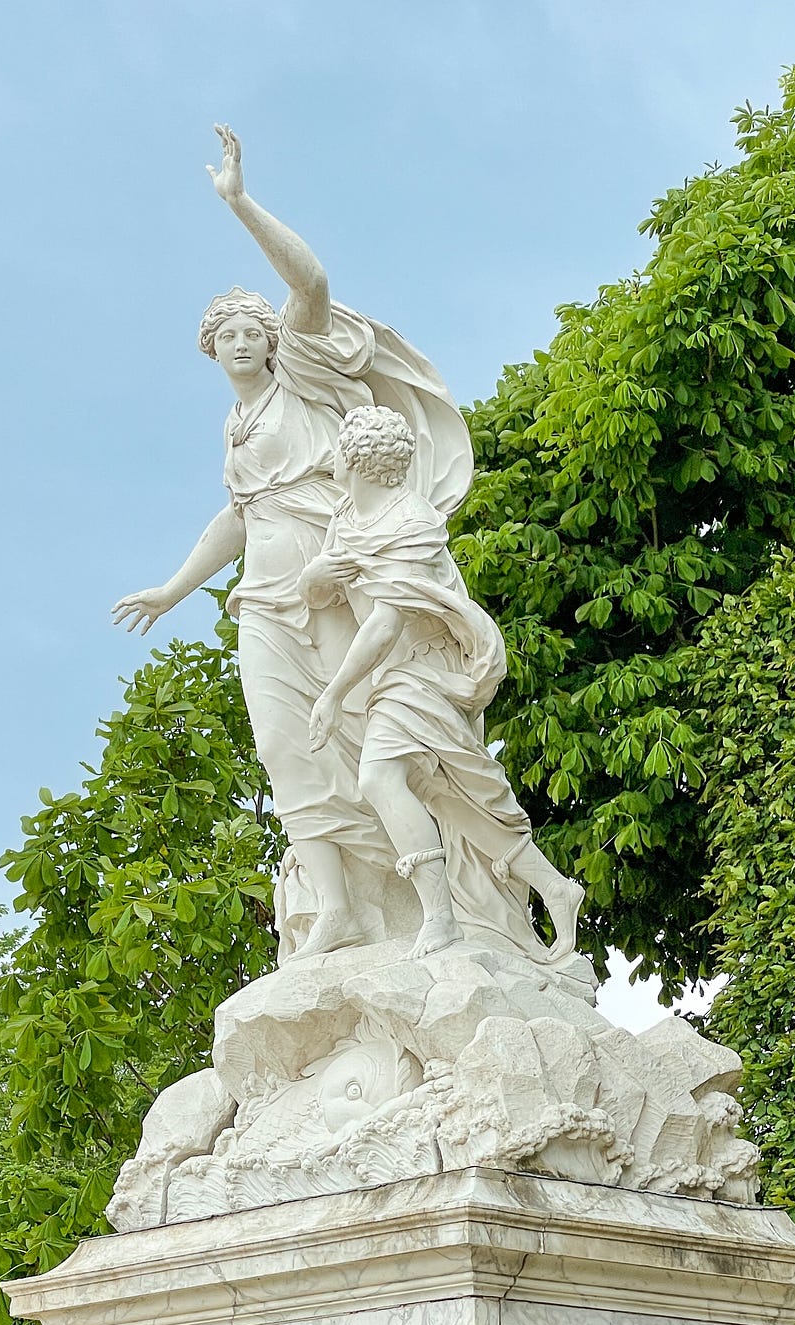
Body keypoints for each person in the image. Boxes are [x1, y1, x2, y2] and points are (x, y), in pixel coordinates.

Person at [112, 125, 472, 959]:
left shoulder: (304, 376)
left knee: (364, 735)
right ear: (211, 348)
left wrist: (239, 203)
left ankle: (433, 905)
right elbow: (237, 516)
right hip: (265, 596)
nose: (244, 338)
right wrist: (172, 589)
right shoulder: (235, 426)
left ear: (271, 339)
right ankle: (338, 908)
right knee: (284, 747)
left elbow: (310, 282)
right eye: (227, 332)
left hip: (333, 580)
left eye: (252, 328)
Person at [303, 405, 584, 964]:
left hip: (429, 668)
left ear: (355, 458)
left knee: (381, 777)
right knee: (451, 795)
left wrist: (333, 695)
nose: (328, 457)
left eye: (336, 447)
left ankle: (440, 918)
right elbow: (321, 594)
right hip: (396, 673)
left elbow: (386, 622)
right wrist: (315, 576)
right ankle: (557, 888)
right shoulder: (346, 519)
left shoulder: (412, 524)